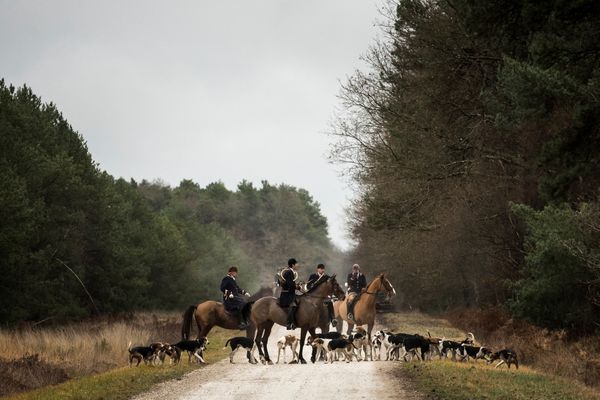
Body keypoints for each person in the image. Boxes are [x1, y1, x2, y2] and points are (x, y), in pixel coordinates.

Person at [307, 263, 337, 327]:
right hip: (313, 296)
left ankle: (333, 319)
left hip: (324, 296)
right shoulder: (312, 276)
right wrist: (312, 286)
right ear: (318, 269)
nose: (322, 270)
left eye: (323, 269)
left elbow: (330, 287)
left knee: (330, 303)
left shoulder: (326, 277)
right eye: (321, 269)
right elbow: (308, 286)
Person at [278, 258, 300, 330]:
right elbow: (290, 285)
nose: (297, 265)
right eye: (296, 264)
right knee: (293, 305)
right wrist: (296, 286)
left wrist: (296, 286)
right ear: (293, 265)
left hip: (289, 293)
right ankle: (289, 323)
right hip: (287, 295)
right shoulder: (289, 272)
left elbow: (290, 283)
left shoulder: (290, 271)